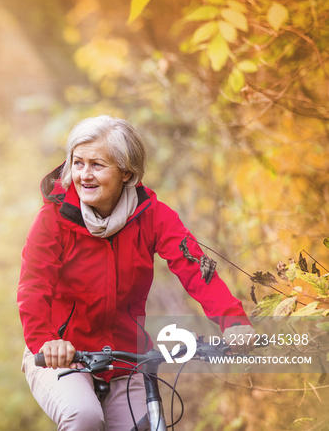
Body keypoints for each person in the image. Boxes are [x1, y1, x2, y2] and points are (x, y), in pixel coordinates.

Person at [17, 115, 254, 430]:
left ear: (126, 172)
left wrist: (233, 322)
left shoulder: (153, 215)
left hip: (127, 360)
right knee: (85, 417)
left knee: (146, 425)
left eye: (97, 165)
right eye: (77, 163)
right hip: (60, 354)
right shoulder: (53, 219)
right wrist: (46, 341)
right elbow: (33, 288)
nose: (83, 175)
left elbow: (195, 268)